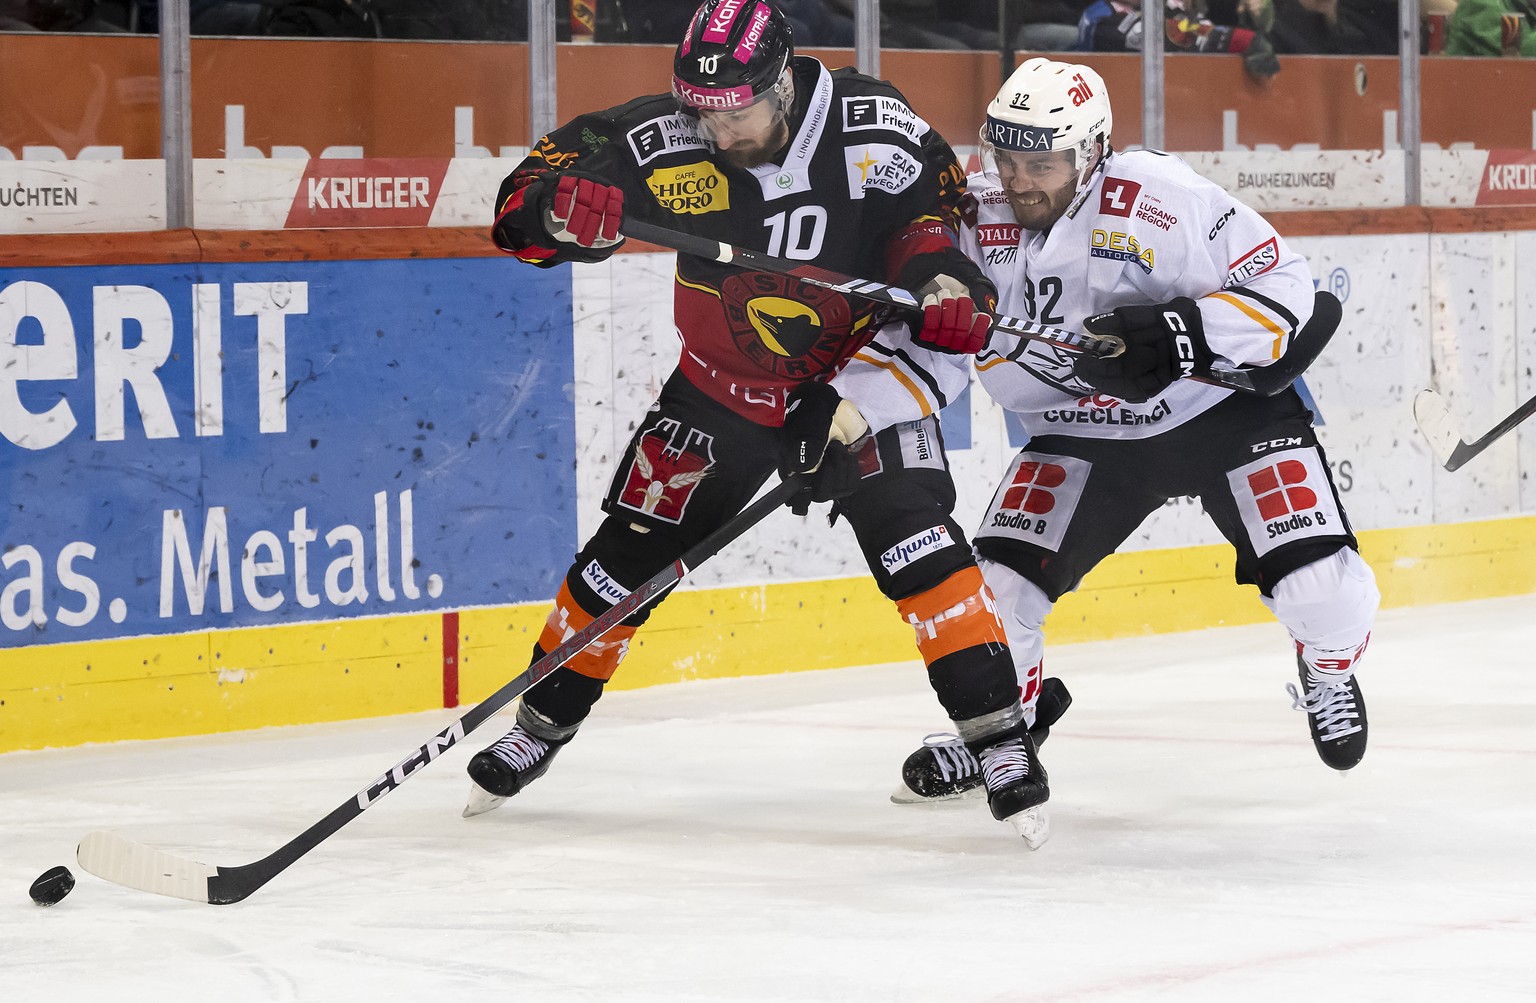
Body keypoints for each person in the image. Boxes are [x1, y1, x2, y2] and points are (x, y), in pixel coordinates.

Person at [468, 0, 1063, 844]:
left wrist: (943, 283)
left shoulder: (871, 125)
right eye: (699, 105)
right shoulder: (668, 135)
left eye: (736, 106)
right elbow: (522, 203)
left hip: (861, 382)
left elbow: (934, 220)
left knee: (919, 544)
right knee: (624, 560)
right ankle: (539, 726)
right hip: (721, 389)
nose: (714, 124)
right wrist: (556, 211)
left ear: (782, 83)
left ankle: (1001, 740)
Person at [893, 57, 1378, 805]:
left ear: (1090, 155)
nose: (1018, 179)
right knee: (993, 592)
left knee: (1325, 593)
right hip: (1081, 432)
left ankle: (1329, 667)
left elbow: (1288, 291)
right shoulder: (976, 206)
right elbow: (906, 271)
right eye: (1006, 156)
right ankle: (1004, 728)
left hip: (1216, 414)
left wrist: (1184, 331)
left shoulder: (1158, 197)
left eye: (1041, 161)